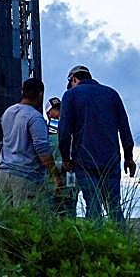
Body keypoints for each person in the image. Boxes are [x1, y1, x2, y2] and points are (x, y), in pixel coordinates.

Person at [58, 65, 136, 223]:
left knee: (93, 206)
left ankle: (95, 245)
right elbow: (125, 129)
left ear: (74, 79)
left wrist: (66, 159)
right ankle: (122, 244)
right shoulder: (112, 94)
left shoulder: (70, 95)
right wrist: (129, 158)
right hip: (111, 160)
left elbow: (64, 132)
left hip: (84, 160)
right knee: (114, 206)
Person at [0, 77, 60, 206]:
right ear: (40, 94)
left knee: (9, 220)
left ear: (22, 92)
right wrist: (55, 175)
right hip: (25, 176)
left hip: (3, 173)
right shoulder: (35, 117)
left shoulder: (8, 112)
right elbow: (42, 150)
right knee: (27, 221)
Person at [46, 97, 76, 217]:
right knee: (53, 212)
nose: (59, 111)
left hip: (70, 176)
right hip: (52, 179)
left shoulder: (71, 130)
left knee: (71, 207)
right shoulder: (45, 131)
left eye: (60, 108)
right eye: (56, 109)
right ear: (48, 113)